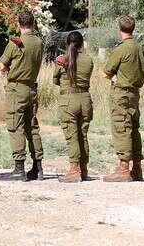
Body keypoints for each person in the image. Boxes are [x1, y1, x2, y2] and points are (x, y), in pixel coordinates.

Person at [0, 11, 45, 181]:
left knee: (15, 126)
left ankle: (19, 168)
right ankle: (38, 168)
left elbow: (2, 66)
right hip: (32, 88)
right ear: (33, 24)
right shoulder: (39, 42)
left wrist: (12, 70)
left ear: (19, 24)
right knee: (32, 127)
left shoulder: (15, 43)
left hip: (17, 89)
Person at [102, 16, 144, 182]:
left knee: (121, 128)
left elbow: (106, 72)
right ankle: (137, 168)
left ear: (119, 29)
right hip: (135, 93)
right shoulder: (139, 47)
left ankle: (123, 168)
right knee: (134, 128)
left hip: (120, 93)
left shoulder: (120, 49)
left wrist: (114, 78)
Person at [53, 31, 94, 183]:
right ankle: (83, 169)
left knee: (71, 135)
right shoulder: (89, 60)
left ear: (67, 43)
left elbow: (55, 80)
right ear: (82, 43)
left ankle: (74, 169)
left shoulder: (62, 60)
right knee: (82, 134)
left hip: (68, 100)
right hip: (85, 99)